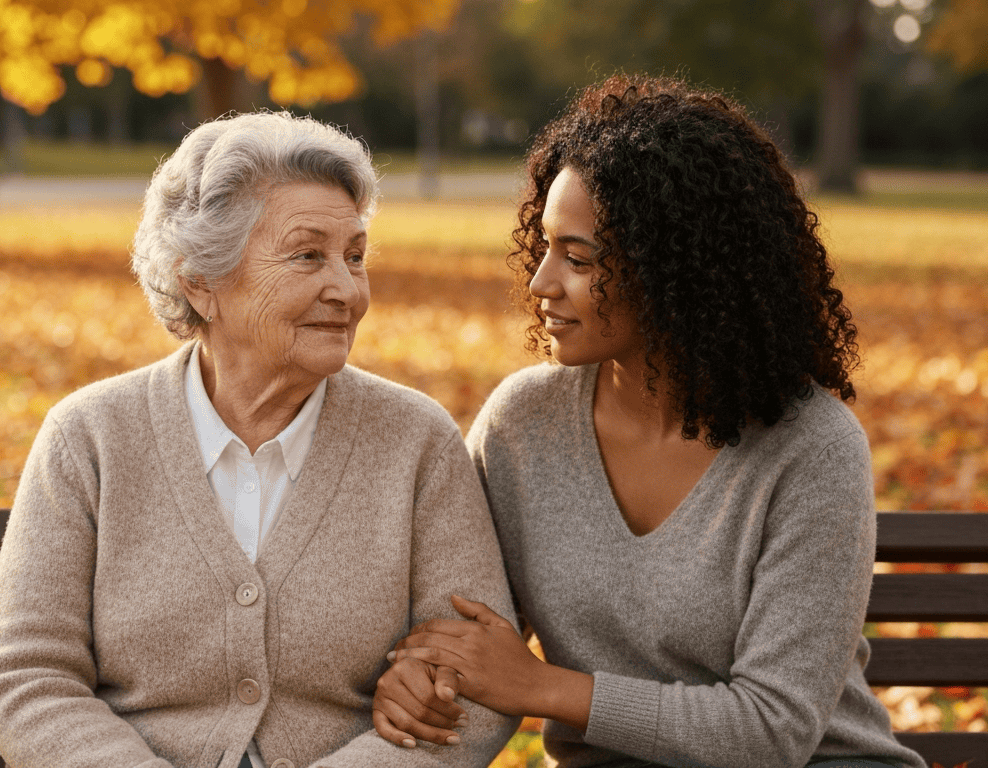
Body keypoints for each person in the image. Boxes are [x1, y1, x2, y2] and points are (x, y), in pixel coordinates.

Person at [373, 76, 928, 768]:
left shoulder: (811, 448)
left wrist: (547, 686)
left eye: (579, 259)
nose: (542, 282)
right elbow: (468, 632)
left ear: (678, 274)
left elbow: (772, 731)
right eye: (544, 246)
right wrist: (421, 676)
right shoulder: (523, 425)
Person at [0, 111, 520, 768]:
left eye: (355, 256)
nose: (347, 290)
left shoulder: (416, 442)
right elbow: (29, 679)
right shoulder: (89, 438)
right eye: (307, 255)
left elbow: (475, 688)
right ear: (200, 281)